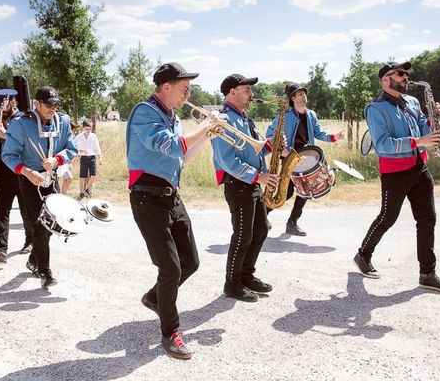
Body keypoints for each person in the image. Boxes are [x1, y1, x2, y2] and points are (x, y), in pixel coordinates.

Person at [127, 62, 221, 360]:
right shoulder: (144, 112)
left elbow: (182, 157)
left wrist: (208, 136)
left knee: (190, 262)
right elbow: (167, 145)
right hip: (146, 197)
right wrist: (203, 126)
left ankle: (155, 297)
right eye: (184, 89)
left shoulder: (174, 118)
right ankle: (170, 333)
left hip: (171, 196)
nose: (187, 94)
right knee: (170, 268)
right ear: (165, 87)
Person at [353, 61, 440, 293]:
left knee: (427, 219)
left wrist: (434, 120)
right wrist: (419, 142)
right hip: (395, 172)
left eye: (406, 74)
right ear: (385, 80)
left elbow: (422, 127)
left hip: (420, 167)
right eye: (400, 74)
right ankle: (363, 255)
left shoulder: (412, 101)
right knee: (387, 218)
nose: (405, 77)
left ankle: (427, 274)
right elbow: (382, 145)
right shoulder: (375, 109)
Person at [1, 86, 77, 289]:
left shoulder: (63, 121)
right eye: (48, 105)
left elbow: (72, 149)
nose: (53, 108)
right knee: (40, 225)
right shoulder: (20, 124)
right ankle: (45, 271)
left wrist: (57, 159)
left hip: (51, 177)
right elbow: (8, 155)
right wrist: (26, 172)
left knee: (51, 224)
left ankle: (34, 260)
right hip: (30, 179)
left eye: (56, 104)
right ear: (36, 104)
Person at [212, 74, 278, 303]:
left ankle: (246, 276)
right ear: (232, 92)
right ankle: (232, 284)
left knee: (260, 230)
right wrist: (258, 176)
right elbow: (226, 160)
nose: (252, 94)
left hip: (251, 183)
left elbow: (252, 151)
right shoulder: (223, 120)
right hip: (238, 183)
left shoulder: (244, 118)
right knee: (243, 234)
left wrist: (275, 148)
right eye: (247, 89)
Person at [265, 83, 345, 236]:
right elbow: (270, 134)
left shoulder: (311, 115)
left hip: (307, 158)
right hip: (290, 159)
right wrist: (282, 149)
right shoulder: (285, 116)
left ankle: (292, 223)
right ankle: (262, 215)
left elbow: (320, 134)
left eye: (304, 93)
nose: (303, 95)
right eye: (299, 93)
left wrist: (335, 137)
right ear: (293, 98)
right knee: (287, 193)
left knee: (305, 191)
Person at [0, 93, 34, 264]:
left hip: (20, 169)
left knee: (25, 209)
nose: (1, 110)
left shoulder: (25, 119)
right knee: (2, 210)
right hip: (4, 168)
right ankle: (1, 249)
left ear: (12, 102)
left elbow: (27, 143)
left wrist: (6, 135)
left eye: (3, 106)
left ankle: (31, 240)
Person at [75, 119, 102, 199]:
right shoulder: (78, 137)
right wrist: (80, 150)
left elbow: (97, 147)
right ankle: (81, 192)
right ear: (83, 128)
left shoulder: (93, 136)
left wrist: (100, 157)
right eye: (87, 129)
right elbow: (74, 148)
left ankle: (86, 188)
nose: (88, 131)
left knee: (93, 175)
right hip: (83, 158)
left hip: (92, 158)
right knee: (82, 176)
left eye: (90, 129)